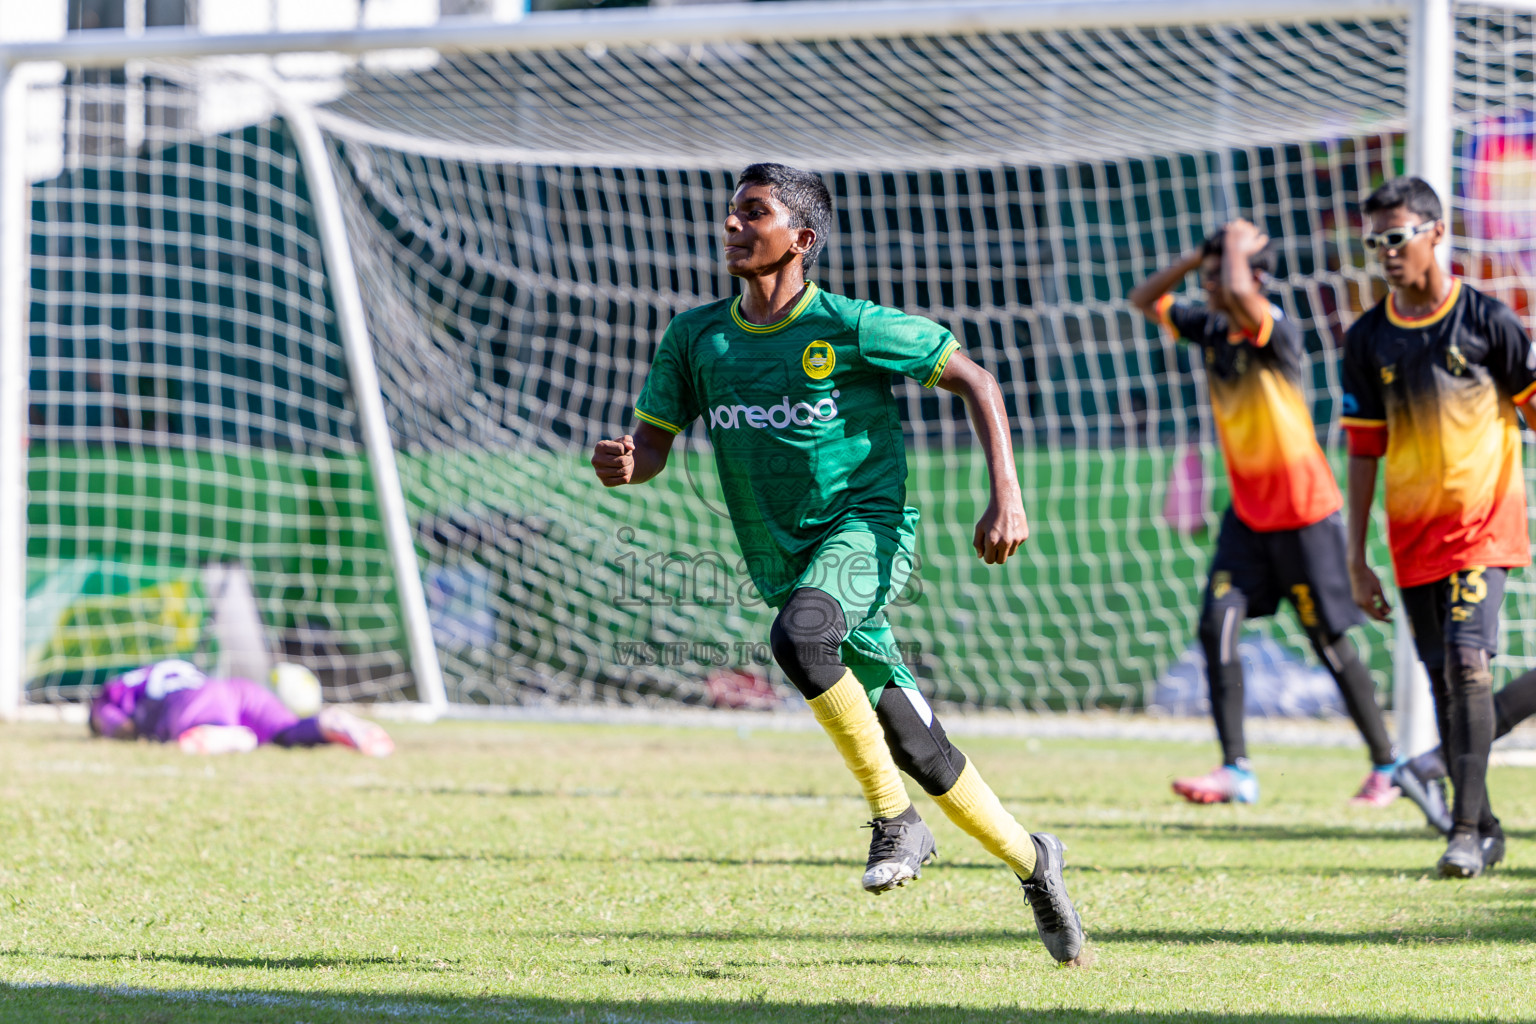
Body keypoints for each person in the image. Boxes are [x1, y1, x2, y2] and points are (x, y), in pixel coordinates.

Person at [591, 163, 1084, 965]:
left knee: (797, 641)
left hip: (866, 535)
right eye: (730, 214)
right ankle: (1036, 863)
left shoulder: (851, 327)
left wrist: (1008, 496)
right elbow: (652, 445)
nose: (732, 227)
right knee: (922, 746)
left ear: (802, 239)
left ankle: (896, 821)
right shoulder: (695, 337)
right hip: (782, 559)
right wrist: (625, 460)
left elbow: (976, 380)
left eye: (754, 214)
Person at [1129, 220, 1416, 814]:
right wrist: (1198, 256)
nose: (1210, 290)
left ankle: (1388, 766)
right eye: (1207, 282)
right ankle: (1237, 768)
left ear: (1256, 277)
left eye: (1219, 279)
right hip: (1248, 519)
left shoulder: (1273, 329)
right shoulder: (1210, 329)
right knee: (1217, 627)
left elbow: (1237, 290)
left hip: (1306, 517)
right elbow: (1145, 300)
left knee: (1329, 643)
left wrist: (1234, 245)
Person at [1342, 175, 1536, 878]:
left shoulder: (1489, 321)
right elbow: (1364, 448)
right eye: (1375, 242)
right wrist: (1356, 556)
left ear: (1434, 232)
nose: (1386, 253)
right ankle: (1482, 824)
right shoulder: (1367, 339)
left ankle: (1460, 832)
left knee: (1468, 666)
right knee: (1443, 684)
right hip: (1412, 538)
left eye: (1397, 238)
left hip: (1485, 527)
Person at [89, 659, 394, 758]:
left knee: (205, 728)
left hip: (193, 701)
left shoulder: (115, 691)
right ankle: (329, 722)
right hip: (235, 688)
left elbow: (111, 723)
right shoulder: (174, 668)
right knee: (286, 733)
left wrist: (116, 730)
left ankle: (229, 734)